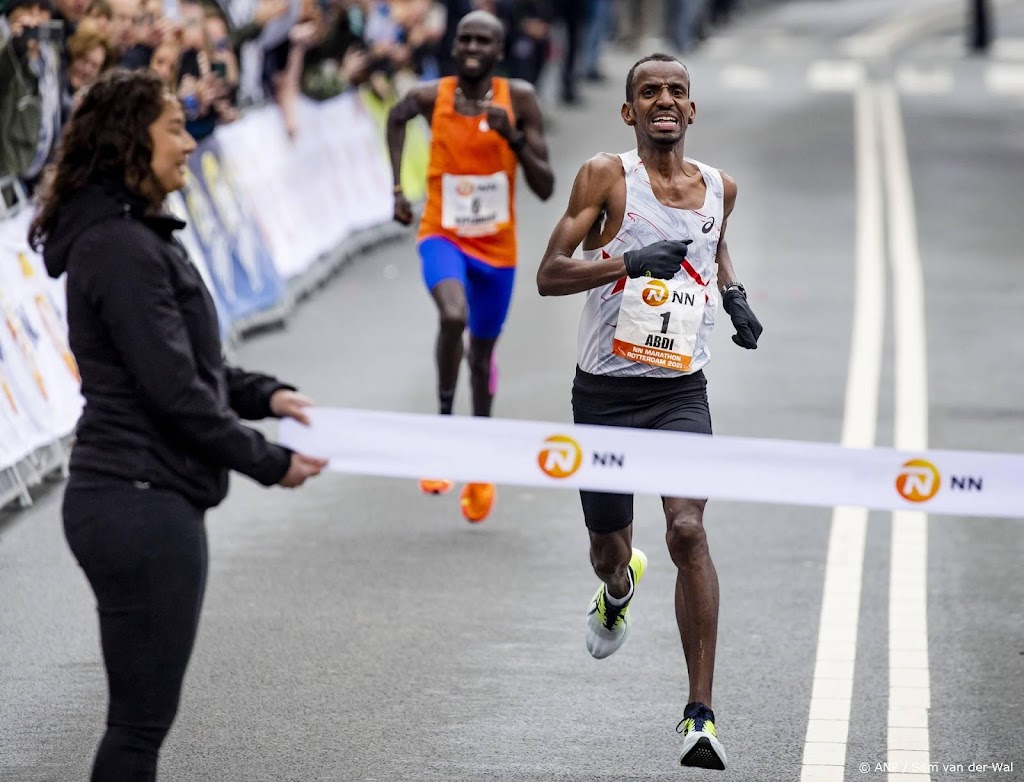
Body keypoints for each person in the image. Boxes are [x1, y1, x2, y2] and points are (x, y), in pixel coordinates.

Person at [29, 68, 328, 780]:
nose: (190, 142)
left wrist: (267, 395)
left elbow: (188, 366)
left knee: (139, 725)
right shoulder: (120, 248)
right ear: (130, 140)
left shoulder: (131, 236)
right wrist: (269, 461)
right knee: (137, 730)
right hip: (136, 500)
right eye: (173, 128)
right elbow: (174, 392)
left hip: (136, 495)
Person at [536, 53, 762, 770]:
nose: (664, 99)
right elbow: (548, 275)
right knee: (609, 550)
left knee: (688, 530)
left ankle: (700, 715)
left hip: (678, 393)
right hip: (605, 394)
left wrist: (734, 296)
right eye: (649, 91)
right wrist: (628, 263)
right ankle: (616, 588)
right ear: (629, 111)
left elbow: (714, 244)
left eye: (676, 91)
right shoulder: (606, 177)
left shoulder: (719, 188)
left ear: (691, 109)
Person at [386, 9, 553, 523]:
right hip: (443, 234)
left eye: (484, 41)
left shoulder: (519, 99)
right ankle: (443, 433)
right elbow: (395, 116)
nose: (473, 48)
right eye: (466, 39)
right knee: (452, 315)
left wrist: (513, 138)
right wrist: (397, 188)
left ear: (499, 51)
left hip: (497, 251)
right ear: (454, 45)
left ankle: (479, 465)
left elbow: (545, 186)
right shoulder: (430, 96)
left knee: (480, 360)